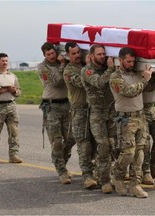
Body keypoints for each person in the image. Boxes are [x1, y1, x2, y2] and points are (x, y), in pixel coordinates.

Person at [109, 47, 153, 198]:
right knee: (128, 153)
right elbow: (129, 92)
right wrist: (145, 80)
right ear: (120, 60)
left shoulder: (137, 73)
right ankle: (118, 177)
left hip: (140, 117)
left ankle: (135, 184)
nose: (131, 64)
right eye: (128, 61)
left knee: (139, 153)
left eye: (133, 61)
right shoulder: (115, 77)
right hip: (126, 119)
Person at [37, 42, 75, 184]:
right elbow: (57, 82)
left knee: (71, 138)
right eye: (48, 54)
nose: (51, 56)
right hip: (51, 107)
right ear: (44, 55)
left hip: (65, 105)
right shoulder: (42, 68)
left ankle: (61, 164)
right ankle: (62, 171)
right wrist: (63, 64)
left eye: (53, 53)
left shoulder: (62, 63)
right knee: (57, 141)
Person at [81, 44, 116, 194]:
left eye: (104, 54)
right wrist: (110, 69)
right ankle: (104, 180)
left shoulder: (108, 69)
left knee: (112, 144)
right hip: (97, 113)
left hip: (111, 112)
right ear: (92, 56)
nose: (102, 56)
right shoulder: (87, 70)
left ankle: (107, 173)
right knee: (102, 145)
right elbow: (99, 82)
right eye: (99, 54)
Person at [63, 42, 98, 189]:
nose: (77, 55)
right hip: (80, 110)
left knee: (97, 143)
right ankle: (87, 176)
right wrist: (90, 66)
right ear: (67, 55)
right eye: (73, 53)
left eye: (79, 52)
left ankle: (97, 171)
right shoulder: (68, 71)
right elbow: (85, 82)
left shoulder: (87, 66)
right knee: (84, 144)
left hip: (94, 108)